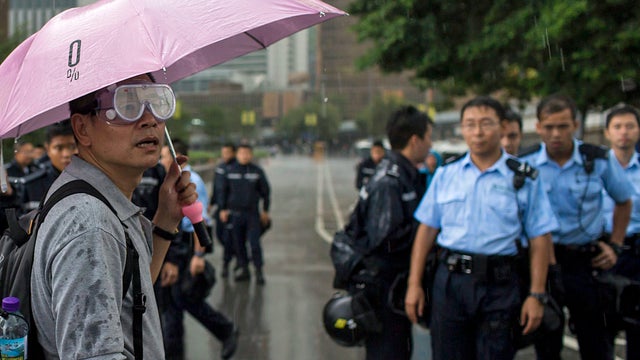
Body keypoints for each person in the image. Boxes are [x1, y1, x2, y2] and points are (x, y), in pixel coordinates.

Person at [30, 73, 199, 359]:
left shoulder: (101, 200)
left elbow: (129, 293)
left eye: (156, 102)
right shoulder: (89, 223)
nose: (149, 120)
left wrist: (167, 220)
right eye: (127, 105)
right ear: (82, 129)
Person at [405, 96, 556, 360]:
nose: (477, 132)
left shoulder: (523, 177)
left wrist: (536, 295)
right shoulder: (446, 174)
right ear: (462, 129)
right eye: (470, 124)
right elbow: (427, 230)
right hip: (450, 284)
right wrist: (414, 284)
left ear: (501, 127)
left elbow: (540, 238)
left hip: (500, 285)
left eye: (486, 124)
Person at [519, 94, 633, 360]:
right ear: (538, 127)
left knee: (596, 344)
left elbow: (624, 201)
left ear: (575, 125)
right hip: (544, 264)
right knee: (547, 346)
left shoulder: (597, 160)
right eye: (549, 127)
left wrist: (615, 244)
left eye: (563, 126)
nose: (556, 134)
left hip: (587, 263)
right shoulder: (526, 165)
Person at [351, 106, 432, 359]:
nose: (431, 144)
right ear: (415, 140)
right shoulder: (390, 180)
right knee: (389, 351)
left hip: (392, 286)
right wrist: (430, 233)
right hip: (384, 288)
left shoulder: (404, 173)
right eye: (429, 137)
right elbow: (385, 240)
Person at [159, 140, 239, 360]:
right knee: (174, 307)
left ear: (176, 158)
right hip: (176, 243)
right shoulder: (170, 181)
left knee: (182, 300)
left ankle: (225, 329)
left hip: (186, 244)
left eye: (164, 156)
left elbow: (199, 221)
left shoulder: (191, 181)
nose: (161, 161)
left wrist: (198, 256)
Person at [602, 104, 640, 360]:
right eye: (617, 127)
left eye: (629, 126)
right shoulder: (595, 168)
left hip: (638, 254)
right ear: (607, 133)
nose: (623, 132)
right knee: (602, 329)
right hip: (605, 254)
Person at [219, 144, 271, 284]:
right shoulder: (230, 171)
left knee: (254, 244)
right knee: (238, 244)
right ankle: (244, 269)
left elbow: (266, 192)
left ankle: (259, 271)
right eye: (242, 153)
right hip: (235, 214)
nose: (244, 156)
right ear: (237, 154)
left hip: (252, 214)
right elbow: (223, 192)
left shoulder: (257, 171)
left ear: (251, 155)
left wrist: (265, 210)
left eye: (247, 153)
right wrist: (223, 209)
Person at [11, 120, 77, 214]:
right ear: (48, 149)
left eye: (72, 147)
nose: (66, 154)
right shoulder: (31, 186)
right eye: (58, 148)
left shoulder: (93, 180)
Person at [209, 143, 237, 278]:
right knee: (219, 235)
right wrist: (211, 202)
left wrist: (226, 208)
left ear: (234, 153)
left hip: (230, 210)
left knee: (228, 237)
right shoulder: (220, 168)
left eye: (228, 153)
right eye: (223, 152)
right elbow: (216, 188)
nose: (225, 155)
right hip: (219, 208)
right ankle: (235, 254)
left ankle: (227, 263)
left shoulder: (236, 169)